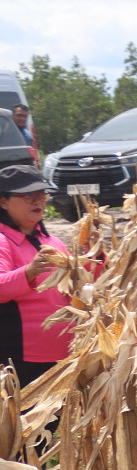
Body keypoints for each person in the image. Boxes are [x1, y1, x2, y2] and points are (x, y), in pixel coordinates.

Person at [1, 166, 71, 389]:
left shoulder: (52, 242)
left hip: (61, 352)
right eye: (27, 195)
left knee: (53, 420)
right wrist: (28, 272)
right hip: (21, 356)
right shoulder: (3, 241)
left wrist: (96, 257)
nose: (37, 201)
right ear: (3, 202)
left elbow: (77, 284)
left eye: (41, 195)